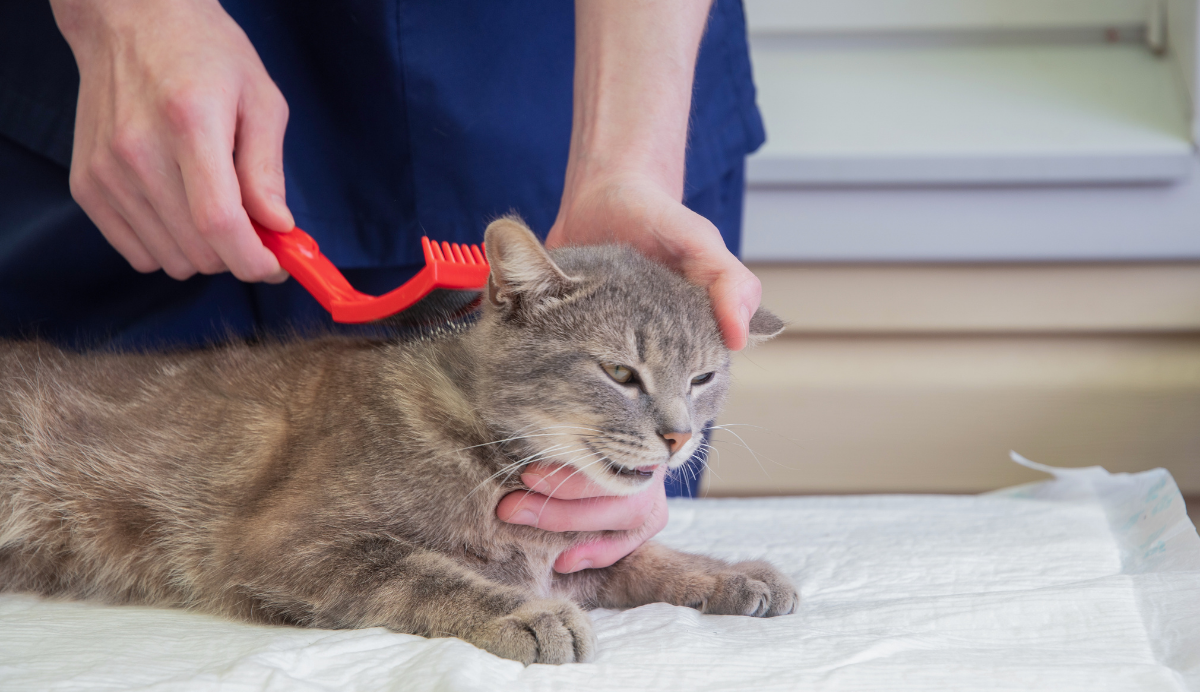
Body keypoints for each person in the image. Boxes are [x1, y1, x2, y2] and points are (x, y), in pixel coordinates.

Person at [0, 0, 766, 574]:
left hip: (557, 79)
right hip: (165, 100)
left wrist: (626, 167)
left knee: (576, 533)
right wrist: (131, 15)